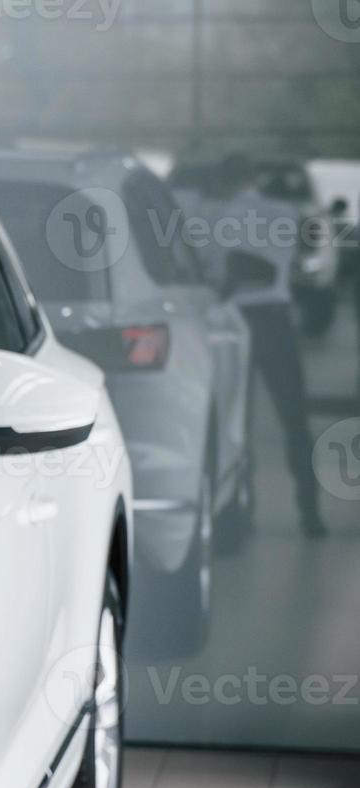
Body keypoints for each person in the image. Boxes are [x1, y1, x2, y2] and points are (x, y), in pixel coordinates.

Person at [188, 153, 328, 537]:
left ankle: (237, 516)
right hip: (275, 321)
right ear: (253, 178)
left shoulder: (206, 215)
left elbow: (199, 269)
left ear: (221, 179)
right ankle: (310, 513)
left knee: (237, 424)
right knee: (295, 419)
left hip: (232, 325)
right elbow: (305, 251)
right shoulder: (285, 212)